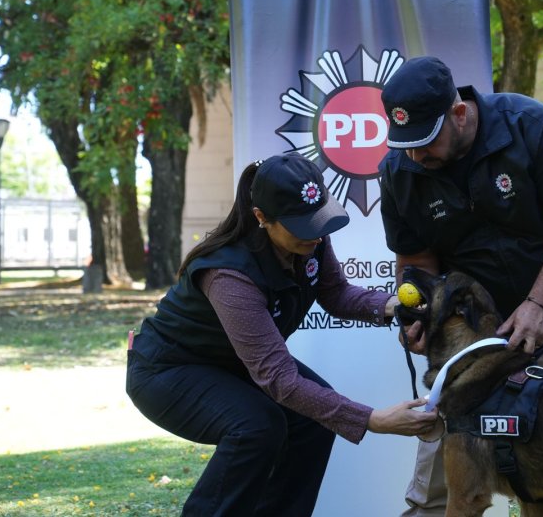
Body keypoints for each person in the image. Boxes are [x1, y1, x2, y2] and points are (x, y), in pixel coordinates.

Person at [126, 152, 438, 516]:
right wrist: (373, 419)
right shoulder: (229, 275)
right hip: (169, 371)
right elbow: (278, 379)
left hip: (234, 364)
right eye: (303, 226)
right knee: (256, 427)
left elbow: (336, 294)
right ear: (261, 218)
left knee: (313, 420)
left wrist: (396, 308)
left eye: (319, 221)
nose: (317, 235)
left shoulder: (310, 238)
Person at [379, 56, 543, 517]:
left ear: (459, 114)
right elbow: (417, 262)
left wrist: (539, 303)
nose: (415, 155)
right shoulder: (401, 172)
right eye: (406, 143)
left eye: (426, 141)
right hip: (473, 326)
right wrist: (421, 315)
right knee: (448, 456)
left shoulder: (533, 129)